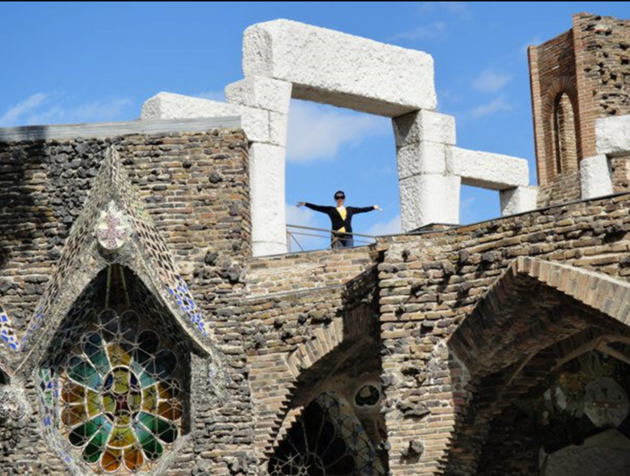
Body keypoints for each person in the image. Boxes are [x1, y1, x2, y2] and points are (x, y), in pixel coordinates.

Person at [296, 191, 381, 248]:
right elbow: (317, 207)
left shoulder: (350, 209)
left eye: (341, 197)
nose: (339, 199)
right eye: (337, 197)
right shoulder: (331, 210)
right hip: (336, 237)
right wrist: (305, 204)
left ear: (344, 198)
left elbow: (362, 210)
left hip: (348, 237)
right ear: (335, 199)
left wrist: (373, 207)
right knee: (338, 254)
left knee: (349, 255)